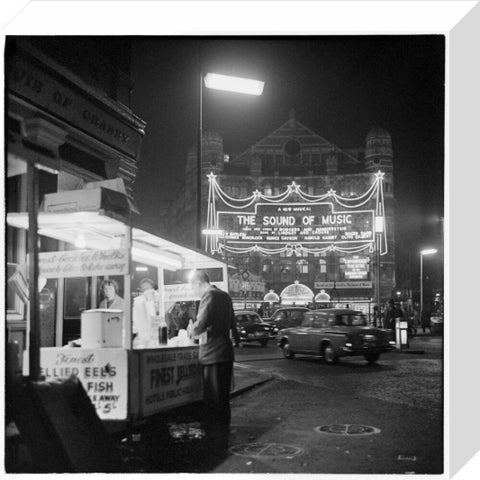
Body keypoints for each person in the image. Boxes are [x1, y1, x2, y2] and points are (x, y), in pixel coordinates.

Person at [190, 271, 240, 438]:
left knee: (213, 396)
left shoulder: (208, 296)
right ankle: (223, 429)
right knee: (223, 397)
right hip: (225, 352)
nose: (194, 292)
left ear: (198, 283)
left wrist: (192, 330)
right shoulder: (225, 296)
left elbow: (200, 324)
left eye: (193, 287)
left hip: (212, 354)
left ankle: (214, 434)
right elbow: (233, 324)